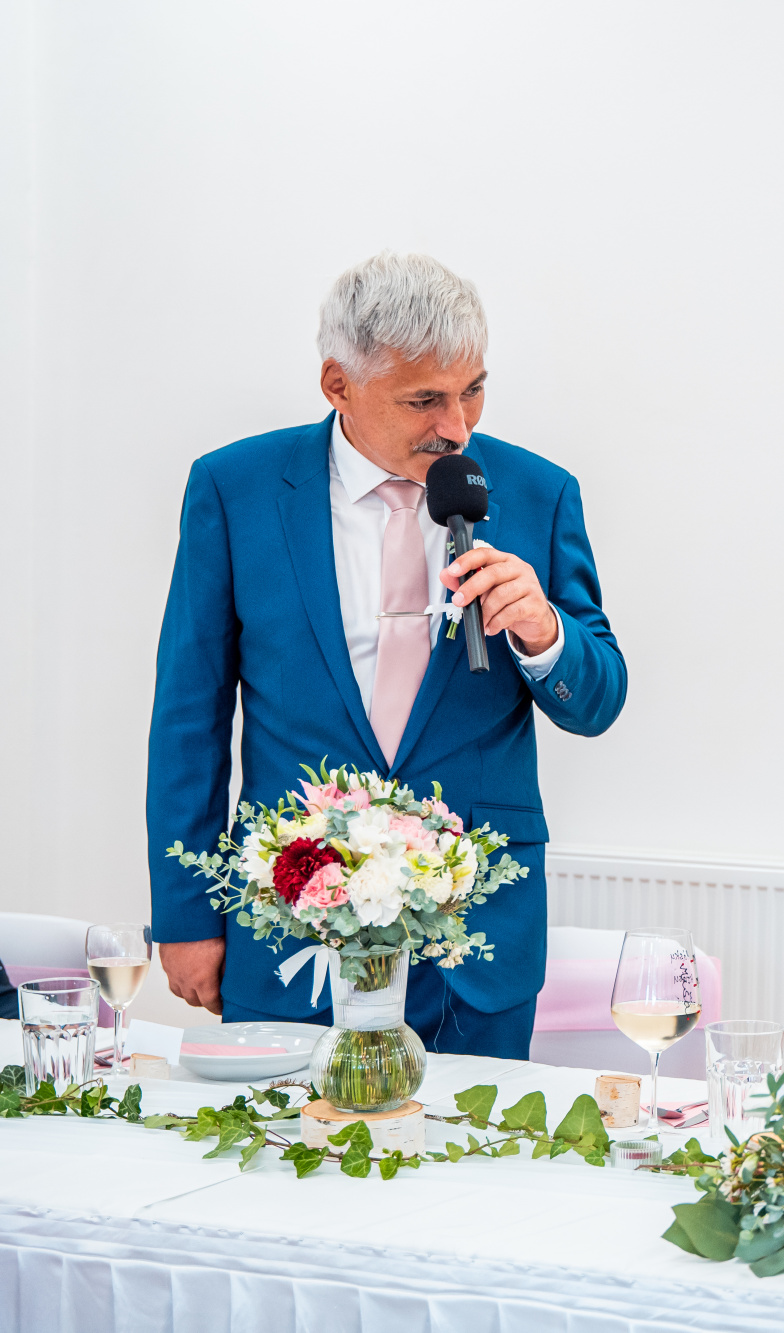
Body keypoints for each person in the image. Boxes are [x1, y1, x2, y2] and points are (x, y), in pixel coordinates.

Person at [146, 253, 627, 1057]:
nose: (457, 426)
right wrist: (187, 911)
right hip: (290, 922)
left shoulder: (539, 493)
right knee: (282, 1137)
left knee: (476, 1138)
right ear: (338, 384)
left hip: (476, 940)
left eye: (473, 389)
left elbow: (599, 700)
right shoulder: (235, 489)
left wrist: (545, 632)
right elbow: (188, 716)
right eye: (424, 399)